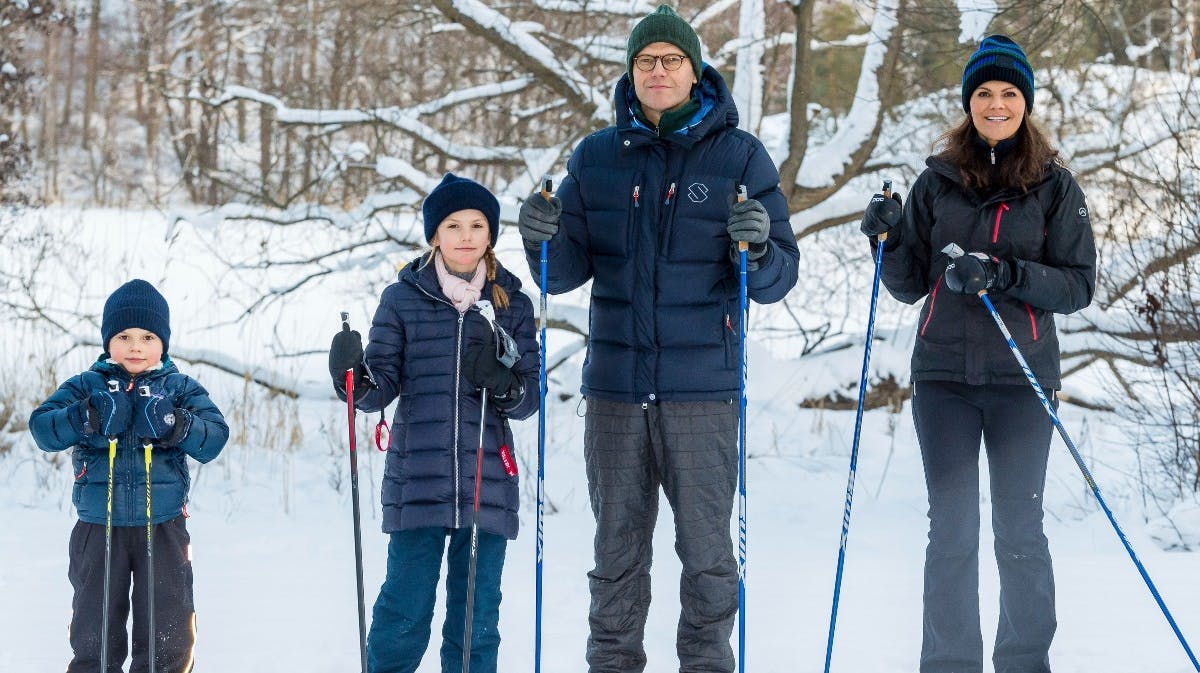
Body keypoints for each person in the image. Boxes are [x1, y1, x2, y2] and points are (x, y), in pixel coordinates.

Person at [516, 6, 799, 672]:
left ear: (695, 69)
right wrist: (540, 237)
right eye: (647, 61)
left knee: (706, 557)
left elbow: (777, 278)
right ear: (631, 71)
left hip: (703, 395)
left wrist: (757, 247)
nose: (659, 72)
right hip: (615, 392)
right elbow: (565, 273)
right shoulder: (595, 156)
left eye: (672, 59)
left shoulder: (740, 156)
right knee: (615, 556)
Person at [859, 35, 1096, 673]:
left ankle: (1023, 663)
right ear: (969, 104)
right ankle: (948, 664)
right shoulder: (936, 181)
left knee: (1020, 534)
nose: (996, 104)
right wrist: (887, 236)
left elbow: (1078, 285)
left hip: (1022, 380)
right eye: (985, 93)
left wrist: (1004, 274)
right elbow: (911, 284)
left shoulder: (1054, 186)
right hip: (944, 380)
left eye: (1009, 93)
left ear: (1026, 102)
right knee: (953, 533)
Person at [328, 173, 540, 673]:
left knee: (475, 620)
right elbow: (381, 386)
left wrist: (506, 386)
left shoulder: (513, 304)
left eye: (476, 225)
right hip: (416, 482)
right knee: (403, 610)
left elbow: (530, 399)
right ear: (434, 236)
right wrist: (351, 376)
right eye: (452, 225)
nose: (465, 236)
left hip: (487, 482)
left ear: (490, 235)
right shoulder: (401, 299)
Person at [29, 278, 229, 673]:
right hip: (97, 529)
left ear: (163, 343)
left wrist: (176, 424)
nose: (135, 345)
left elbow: (215, 438)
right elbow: (42, 428)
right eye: (123, 335)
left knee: (167, 629)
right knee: (95, 630)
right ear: (108, 341)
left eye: (147, 336)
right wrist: (86, 416)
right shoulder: (87, 386)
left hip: (164, 528)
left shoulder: (179, 388)